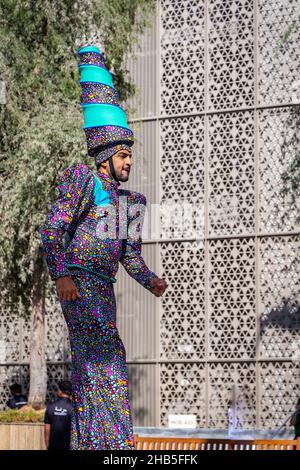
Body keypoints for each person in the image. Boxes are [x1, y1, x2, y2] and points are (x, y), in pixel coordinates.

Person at [40, 44, 167, 450]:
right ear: (105, 158)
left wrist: (151, 281)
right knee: (104, 361)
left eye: (131, 156)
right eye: (123, 155)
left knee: (101, 363)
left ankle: (95, 442)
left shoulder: (129, 203)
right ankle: (108, 446)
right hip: (78, 286)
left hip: (103, 289)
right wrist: (60, 274)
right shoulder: (85, 181)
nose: (129, 163)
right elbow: (53, 228)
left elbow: (128, 256)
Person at [44, 380, 72, 450]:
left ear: (60, 391)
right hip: (68, 445)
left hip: (53, 446)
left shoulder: (50, 407)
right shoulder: (73, 408)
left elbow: (47, 429)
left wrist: (48, 445)